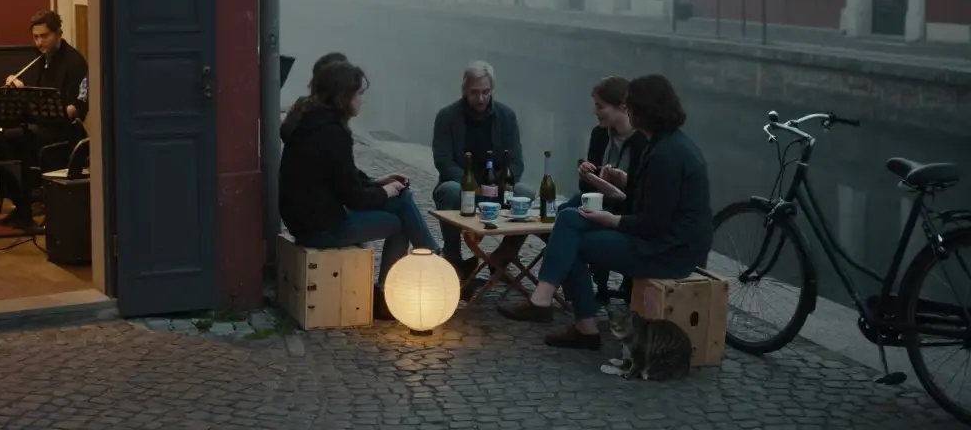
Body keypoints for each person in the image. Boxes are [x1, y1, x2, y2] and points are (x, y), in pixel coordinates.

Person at [500, 74, 712, 351]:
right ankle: (547, 301)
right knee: (568, 218)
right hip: (662, 241)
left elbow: (654, 223)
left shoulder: (666, 155)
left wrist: (611, 220)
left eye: (630, 105)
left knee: (574, 243)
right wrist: (624, 185)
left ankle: (579, 324)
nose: (627, 110)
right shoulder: (664, 144)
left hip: (669, 252)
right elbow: (649, 203)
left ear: (643, 110)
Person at [279, 60, 440, 321]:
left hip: (304, 221)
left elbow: (341, 177)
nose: (362, 100)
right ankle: (406, 281)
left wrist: (378, 182)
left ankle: (428, 259)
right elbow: (354, 198)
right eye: (359, 94)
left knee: (401, 199)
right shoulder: (333, 134)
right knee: (400, 221)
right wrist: (386, 192)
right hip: (322, 228)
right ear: (344, 97)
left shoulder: (310, 123)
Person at [430, 61, 537, 275]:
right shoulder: (447, 117)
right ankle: (453, 257)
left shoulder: (507, 116)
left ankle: (501, 257)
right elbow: (443, 161)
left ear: (492, 90)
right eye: (474, 92)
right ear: (464, 90)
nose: (480, 98)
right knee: (450, 190)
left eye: (485, 92)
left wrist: (503, 183)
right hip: (462, 188)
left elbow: (516, 161)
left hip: (497, 189)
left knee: (525, 193)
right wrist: (471, 185)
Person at [0, 10, 89, 231]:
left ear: (58, 34)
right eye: (36, 37)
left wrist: (62, 110)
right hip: (40, 126)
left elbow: (80, 104)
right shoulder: (39, 59)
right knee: (0, 139)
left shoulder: (75, 62)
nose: (39, 42)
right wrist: (17, 87)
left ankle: (33, 206)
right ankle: (22, 205)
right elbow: (32, 96)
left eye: (45, 36)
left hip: (64, 130)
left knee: (18, 139)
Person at [567, 76, 648, 304]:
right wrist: (587, 172)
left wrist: (622, 182)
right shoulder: (600, 134)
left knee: (574, 223)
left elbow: (643, 193)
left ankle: (577, 289)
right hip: (600, 201)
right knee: (565, 212)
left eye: (600, 106)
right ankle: (575, 283)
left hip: (627, 210)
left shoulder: (643, 141)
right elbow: (586, 187)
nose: (595, 112)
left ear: (621, 107)